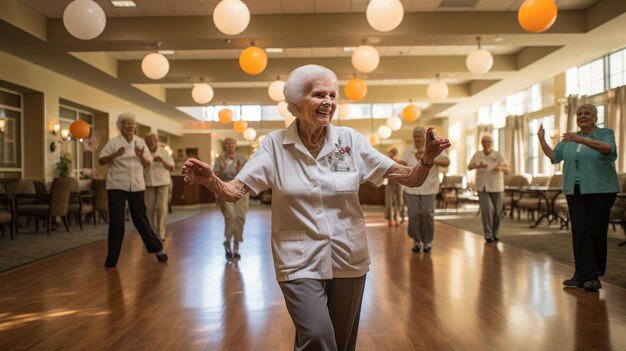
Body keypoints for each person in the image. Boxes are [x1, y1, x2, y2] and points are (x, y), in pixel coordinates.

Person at [182, 64, 450, 351]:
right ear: (296, 104)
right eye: (319, 94)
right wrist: (211, 180)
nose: (329, 102)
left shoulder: (351, 142)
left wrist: (427, 160)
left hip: (348, 257)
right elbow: (235, 191)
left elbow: (410, 178)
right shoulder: (274, 146)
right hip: (297, 258)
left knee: (341, 344)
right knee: (319, 338)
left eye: (333, 96)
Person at [537, 104, 618, 292]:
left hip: (601, 190)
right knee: (580, 232)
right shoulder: (568, 139)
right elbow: (554, 157)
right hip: (575, 190)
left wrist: (580, 139)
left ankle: (594, 276)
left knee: (596, 232)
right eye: (579, 113)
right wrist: (541, 140)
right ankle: (582, 275)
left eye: (587, 113)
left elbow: (608, 149)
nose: (582, 116)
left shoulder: (605, 133)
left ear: (595, 117)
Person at [99, 113, 168, 267]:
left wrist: (140, 156)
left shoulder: (140, 142)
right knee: (117, 222)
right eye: (126, 123)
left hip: (136, 185)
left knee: (141, 220)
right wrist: (115, 154)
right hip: (116, 185)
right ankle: (112, 259)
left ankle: (158, 249)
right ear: (120, 126)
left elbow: (148, 163)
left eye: (132, 123)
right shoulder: (113, 142)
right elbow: (101, 160)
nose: (130, 125)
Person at [400, 127, 450, 253]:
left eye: (419, 136)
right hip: (411, 188)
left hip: (429, 187)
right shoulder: (408, 150)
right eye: (415, 136)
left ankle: (427, 241)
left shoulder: (433, 148)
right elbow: (401, 162)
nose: (417, 139)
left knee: (427, 214)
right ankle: (416, 240)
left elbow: (446, 161)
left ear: (425, 137)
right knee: (413, 215)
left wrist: (430, 158)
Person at [468, 135, 509, 243]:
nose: (486, 144)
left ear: (492, 143)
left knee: (497, 211)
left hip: (497, 185)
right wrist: (478, 166)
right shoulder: (478, 154)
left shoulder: (498, 154)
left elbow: (507, 169)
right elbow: (469, 167)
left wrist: (500, 168)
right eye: (484, 142)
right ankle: (488, 234)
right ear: (481, 143)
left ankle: (495, 233)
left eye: (488, 142)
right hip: (483, 186)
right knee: (488, 209)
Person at [213, 137, 249, 259]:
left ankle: (236, 246)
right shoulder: (220, 158)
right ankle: (228, 242)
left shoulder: (243, 158)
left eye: (232, 143)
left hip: (241, 189)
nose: (230, 145)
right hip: (225, 188)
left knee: (240, 217)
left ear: (235, 145)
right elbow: (213, 175)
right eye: (227, 143)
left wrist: (240, 170)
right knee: (230, 216)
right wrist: (221, 170)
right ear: (225, 145)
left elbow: (250, 174)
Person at [143, 133, 175, 241]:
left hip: (163, 182)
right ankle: (151, 233)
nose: (150, 142)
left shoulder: (164, 151)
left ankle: (161, 232)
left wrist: (162, 160)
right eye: (148, 141)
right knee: (149, 209)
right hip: (148, 182)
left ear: (156, 141)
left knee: (161, 208)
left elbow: (172, 167)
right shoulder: (143, 152)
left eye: (152, 140)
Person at [384, 148, 404, 227]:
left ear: (394, 154)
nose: (389, 155)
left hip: (399, 183)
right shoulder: (387, 162)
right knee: (389, 202)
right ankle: (390, 219)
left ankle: (398, 217)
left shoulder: (400, 162)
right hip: (390, 183)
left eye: (390, 154)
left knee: (399, 201)